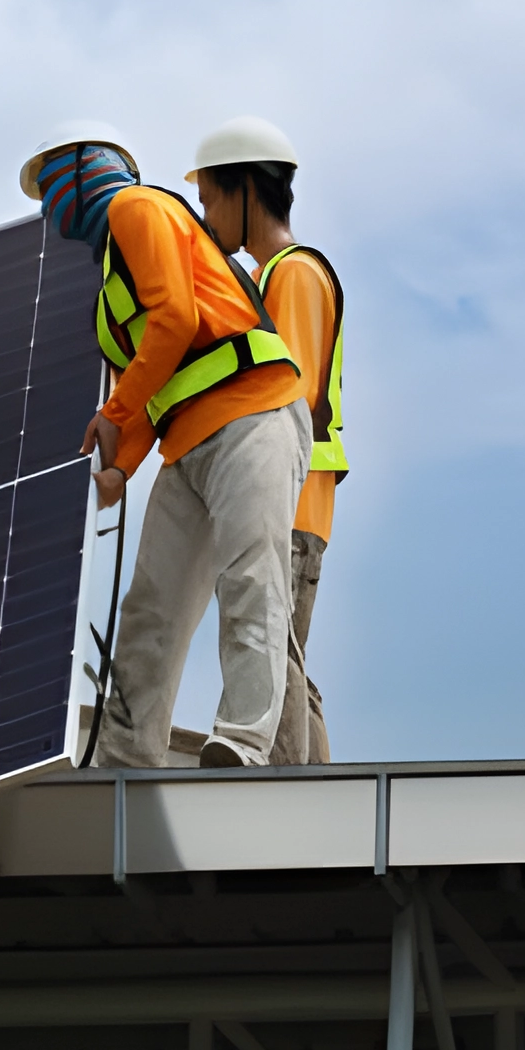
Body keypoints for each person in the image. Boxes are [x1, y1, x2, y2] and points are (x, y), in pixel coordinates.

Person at [20, 120, 308, 768]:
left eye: (48, 188)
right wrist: (119, 468)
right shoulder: (107, 300)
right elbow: (154, 389)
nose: (46, 209)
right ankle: (125, 757)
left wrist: (112, 414)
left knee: (250, 579)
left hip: (253, 414)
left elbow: (176, 319)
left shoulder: (136, 206)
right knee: (151, 608)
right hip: (188, 448)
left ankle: (241, 742)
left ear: (81, 170)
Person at [186, 117, 343, 764]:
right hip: (293, 498)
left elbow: (288, 396)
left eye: (210, 197)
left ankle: (285, 812)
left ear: (246, 189)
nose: (203, 213)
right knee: (284, 663)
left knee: (269, 654)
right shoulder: (272, 274)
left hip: (288, 498)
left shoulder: (292, 274)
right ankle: (324, 810)